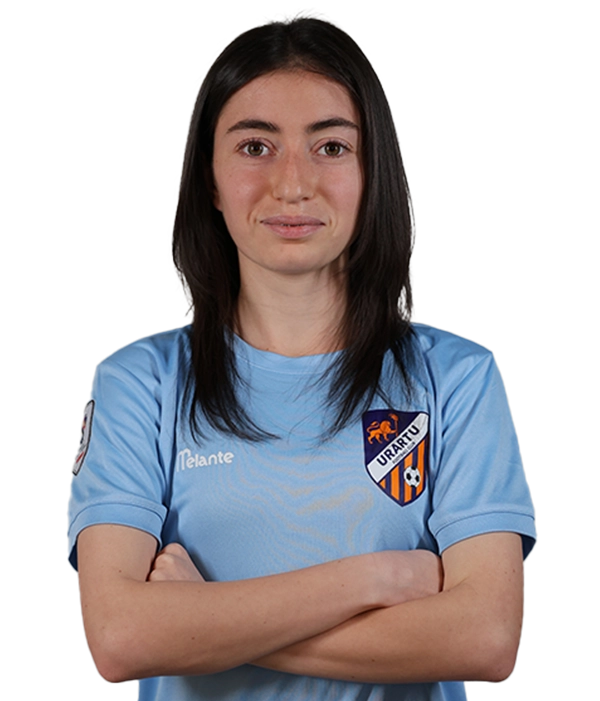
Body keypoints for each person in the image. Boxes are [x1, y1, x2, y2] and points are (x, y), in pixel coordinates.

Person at [67, 12, 537, 701]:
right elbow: (122, 639)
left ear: (372, 173)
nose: (293, 185)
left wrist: (199, 620)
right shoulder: (140, 385)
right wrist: (376, 579)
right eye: (255, 146)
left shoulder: (456, 379)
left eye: (332, 146)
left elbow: (485, 639)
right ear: (209, 179)